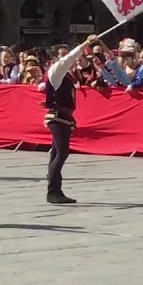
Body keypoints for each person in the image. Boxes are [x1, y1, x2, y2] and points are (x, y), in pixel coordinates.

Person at [42, 34, 94, 205]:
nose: (67, 57)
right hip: (58, 118)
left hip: (64, 117)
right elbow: (68, 60)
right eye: (62, 54)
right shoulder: (56, 71)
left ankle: (55, 190)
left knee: (57, 153)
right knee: (62, 152)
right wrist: (86, 44)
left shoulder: (65, 76)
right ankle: (53, 189)